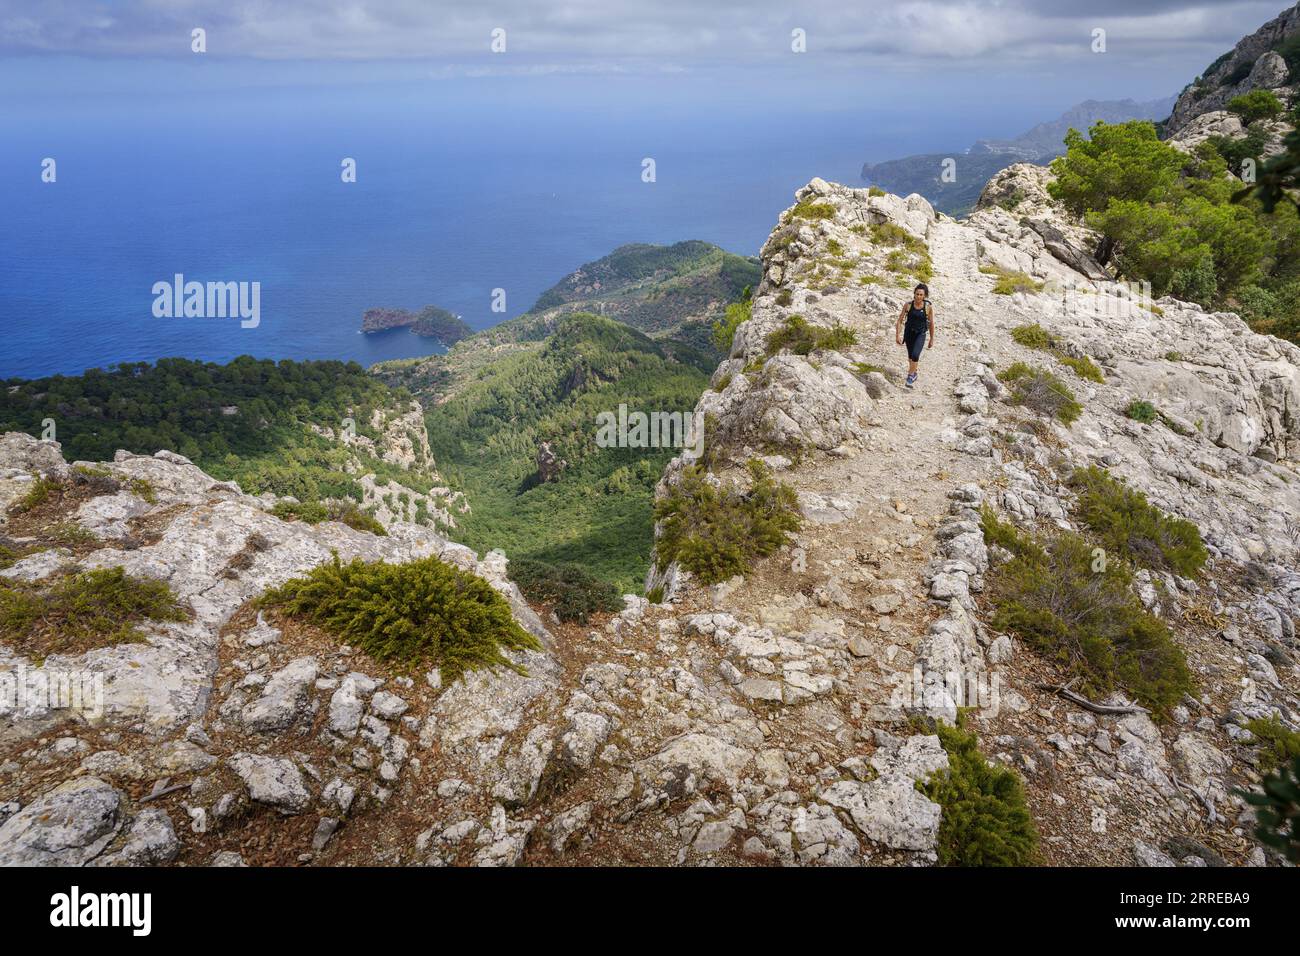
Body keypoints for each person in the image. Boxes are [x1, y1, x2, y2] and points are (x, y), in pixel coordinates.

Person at [895, 283, 934, 388]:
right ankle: (914, 372)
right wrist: (897, 335)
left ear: (924, 296)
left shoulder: (928, 307)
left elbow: (931, 323)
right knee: (911, 357)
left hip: (920, 334)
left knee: (916, 355)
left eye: (921, 295)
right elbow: (899, 321)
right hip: (909, 333)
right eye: (917, 294)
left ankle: (910, 376)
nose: (919, 297)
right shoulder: (908, 305)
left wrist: (931, 339)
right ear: (914, 294)